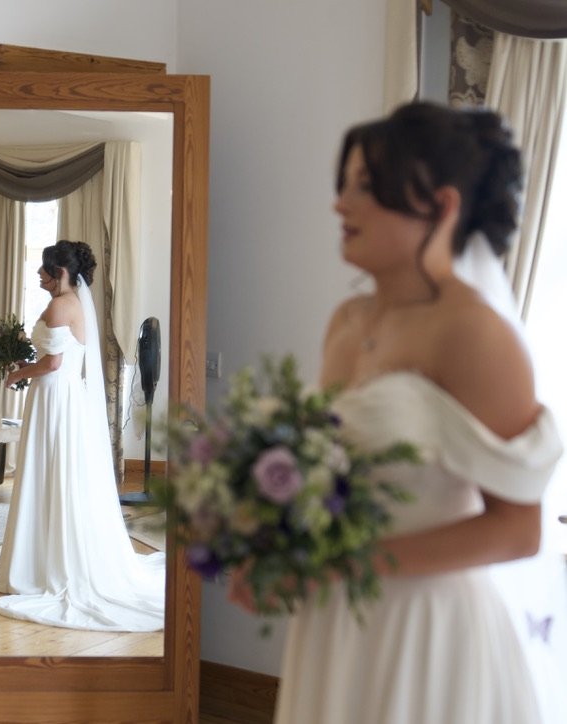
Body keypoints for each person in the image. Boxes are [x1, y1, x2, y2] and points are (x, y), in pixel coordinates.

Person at [227, 102, 565, 723]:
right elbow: (324, 470)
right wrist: (270, 544)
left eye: (366, 187)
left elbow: (519, 530)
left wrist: (337, 566)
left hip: (427, 629)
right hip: (336, 622)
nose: (340, 204)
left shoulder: (475, 333)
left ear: (440, 207)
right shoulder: (347, 322)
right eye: (344, 184)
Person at [0, 239, 165, 631]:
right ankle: (39, 558)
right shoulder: (74, 304)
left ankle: (37, 566)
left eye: (44, 269)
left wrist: (19, 373)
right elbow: (57, 357)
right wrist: (25, 364)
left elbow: (52, 364)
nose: (39, 274)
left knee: (46, 470)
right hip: (62, 395)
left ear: (61, 273)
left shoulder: (59, 304)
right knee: (54, 470)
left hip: (54, 395)